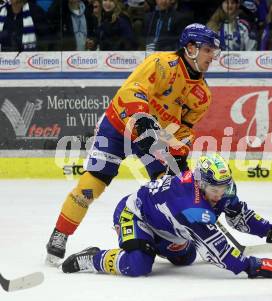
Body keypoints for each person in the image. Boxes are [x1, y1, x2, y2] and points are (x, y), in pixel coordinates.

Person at [46, 23, 222, 265]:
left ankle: (188, 239)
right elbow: (132, 90)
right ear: (190, 48)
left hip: (153, 138)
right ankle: (60, 234)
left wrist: (179, 149)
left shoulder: (203, 94)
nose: (212, 56)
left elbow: (184, 128)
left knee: (175, 190)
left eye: (214, 51)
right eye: (208, 50)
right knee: (92, 183)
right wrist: (142, 121)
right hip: (119, 124)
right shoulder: (162, 64)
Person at [61, 153, 272, 278]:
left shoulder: (218, 188)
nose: (220, 195)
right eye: (215, 190)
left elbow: (239, 215)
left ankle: (153, 245)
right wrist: (252, 266)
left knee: (185, 258)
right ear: (201, 185)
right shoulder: (190, 205)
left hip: (167, 226)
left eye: (224, 188)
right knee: (138, 265)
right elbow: (218, 252)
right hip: (135, 215)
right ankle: (92, 258)